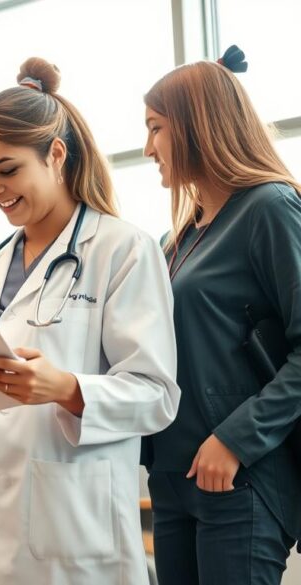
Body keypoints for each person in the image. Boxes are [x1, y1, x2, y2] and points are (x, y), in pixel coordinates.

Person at [0, 58, 180, 585]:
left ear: (56, 155)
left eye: (7, 169)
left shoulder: (121, 249)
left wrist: (63, 387)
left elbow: (157, 395)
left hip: (65, 509)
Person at [141, 46, 301, 585]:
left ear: (194, 127)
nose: (147, 148)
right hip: (171, 479)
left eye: (156, 128)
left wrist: (236, 440)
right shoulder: (177, 240)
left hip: (240, 477)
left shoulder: (269, 207)